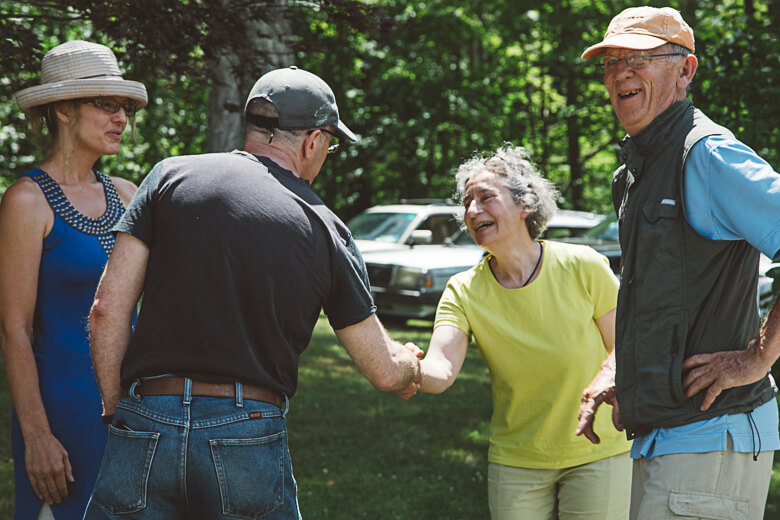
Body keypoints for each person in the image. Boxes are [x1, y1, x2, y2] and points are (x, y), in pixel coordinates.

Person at [83, 66, 422, 519]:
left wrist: (117, 412)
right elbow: (381, 369)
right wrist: (408, 368)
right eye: (330, 143)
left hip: (146, 417)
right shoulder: (323, 226)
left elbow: (106, 310)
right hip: (247, 430)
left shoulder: (169, 177)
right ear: (312, 141)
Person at [576, 6, 780, 520]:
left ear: (685, 70)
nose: (620, 72)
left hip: (710, 438)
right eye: (611, 61)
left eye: (640, 58)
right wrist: (623, 369)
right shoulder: (637, 169)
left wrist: (756, 357)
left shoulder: (706, 154)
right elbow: (664, 294)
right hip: (667, 440)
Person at [398, 145, 632, 520]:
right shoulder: (463, 290)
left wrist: (614, 376)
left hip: (598, 450)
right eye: (468, 202)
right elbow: (440, 372)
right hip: (517, 460)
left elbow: (627, 345)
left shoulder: (583, 266)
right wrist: (404, 364)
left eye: (486, 198)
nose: (473, 211)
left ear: (525, 205)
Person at [0, 41, 146, 520]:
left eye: (124, 106)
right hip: (62, 410)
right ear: (63, 109)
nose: (121, 117)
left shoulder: (128, 194)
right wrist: (37, 435)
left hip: (136, 409)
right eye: (106, 104)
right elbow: (13, 329)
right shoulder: (26, 202)